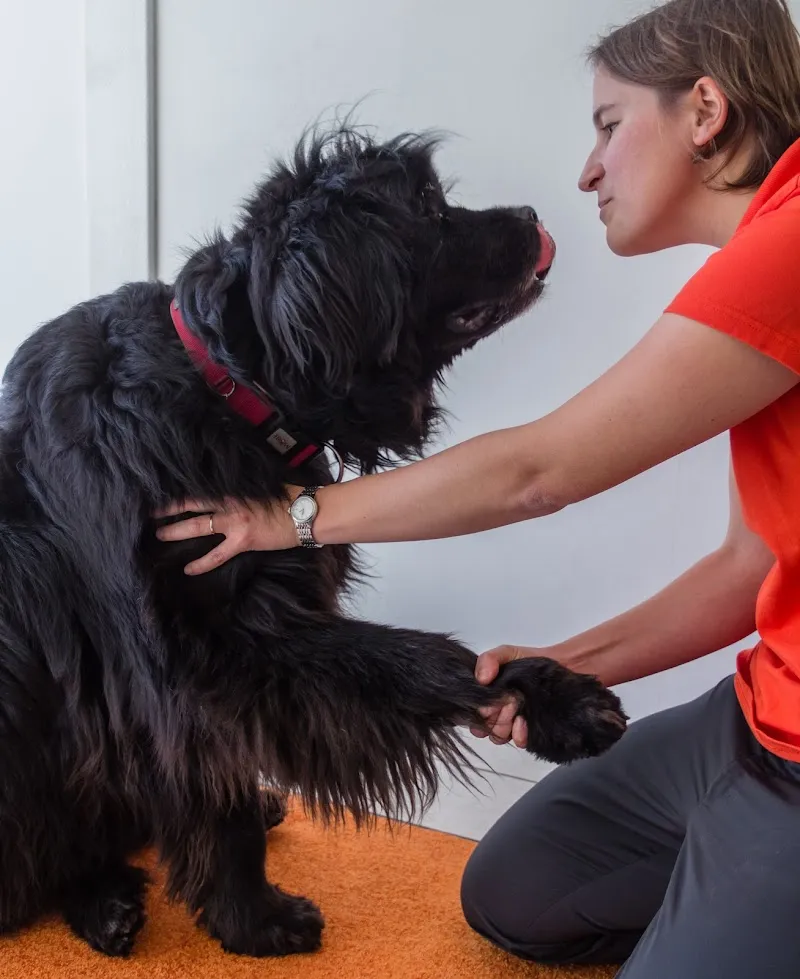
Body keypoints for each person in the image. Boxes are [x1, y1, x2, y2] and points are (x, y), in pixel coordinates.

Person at [155, 0, 800, 974]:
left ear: (703, 109)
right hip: (752, 723)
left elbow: (535, 473)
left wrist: (289, 520)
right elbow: (747, 563)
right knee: (514, 894)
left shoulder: (789, 248)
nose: (587, 170)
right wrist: (563, 664)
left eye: (608, 124)